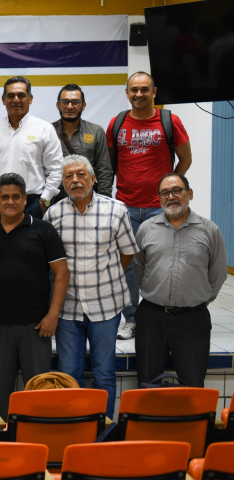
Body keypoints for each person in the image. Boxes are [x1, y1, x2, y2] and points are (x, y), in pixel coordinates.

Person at [44, 156, 136, 417]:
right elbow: (50, 261)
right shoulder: (54, 213)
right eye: (69, 176)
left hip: (106, 305)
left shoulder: (116, 210)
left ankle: (103, 428)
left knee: (104, 373)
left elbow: (127, 253)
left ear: (93, 179)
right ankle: (76, 426)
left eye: (81, 174)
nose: (75, 180)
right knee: (69, 374)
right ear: (62, 183)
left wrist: (106, 276)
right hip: (68, 307)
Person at [0, 173, 69, 418]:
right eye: (4, 197)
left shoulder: (44, 230)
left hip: (36, 327)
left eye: (16, 197)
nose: (10, 202)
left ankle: (36, 444)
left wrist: (53, 315)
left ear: (26, 199)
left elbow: (61, 274)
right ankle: (2, 447)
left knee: (37, 394)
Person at [107, 72, 193, 341]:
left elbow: (185, 160)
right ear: (127, 92)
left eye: (145, 89)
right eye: (134, 90)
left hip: (160, 209)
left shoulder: (169, 121)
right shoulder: (117, 123)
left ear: (154, 92)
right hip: (125, 207)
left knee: (163, 263)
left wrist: (169, 192)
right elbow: (110, 165)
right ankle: (131, 319)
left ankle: (161, 317)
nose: (139, 94)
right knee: (128, 266)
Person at [133, 173, 226, 388]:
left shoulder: (209, 230)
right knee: (147, 384)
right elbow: (139, 268)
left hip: (193, 320)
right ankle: (149, 423)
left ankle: (191, 423)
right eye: (165, 193)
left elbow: (218, 274)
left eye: (177, 191)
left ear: (189, 193)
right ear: (159, 198)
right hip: (151, 318)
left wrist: (196, 299)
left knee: (193, 384)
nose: (171, 197)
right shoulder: (146, 229)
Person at [0, 76, 63, 221]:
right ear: (3, 99)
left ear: (30, 98)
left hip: (32, 204)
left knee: (30, 244)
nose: (16, 100)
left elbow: (56, 170)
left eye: (21, 95)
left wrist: (44, 201)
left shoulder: (44, 129)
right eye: (10, 96)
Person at [52, 85, 113, 197]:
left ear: (83, 105)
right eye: (65, 102)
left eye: (75, 102)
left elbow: (104, 170)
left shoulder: (96, 131)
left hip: (87, 196)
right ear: (58, 105)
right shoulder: (47, 131)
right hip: (55, 197)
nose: (69, 106)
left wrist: (105, 199)